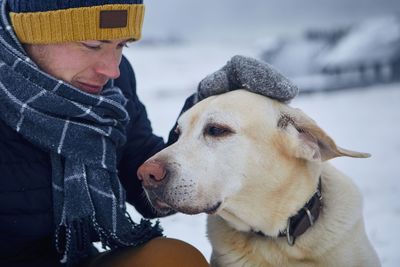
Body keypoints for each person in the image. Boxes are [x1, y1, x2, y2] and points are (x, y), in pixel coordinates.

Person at [0, 0, 298, 266]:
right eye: (92, 44)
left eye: (121, 46)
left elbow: (144, 179)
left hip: (73, 259)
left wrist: (205, 106)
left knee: (173, 260)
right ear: (31, 33)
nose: (111, 69)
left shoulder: (113, 87)